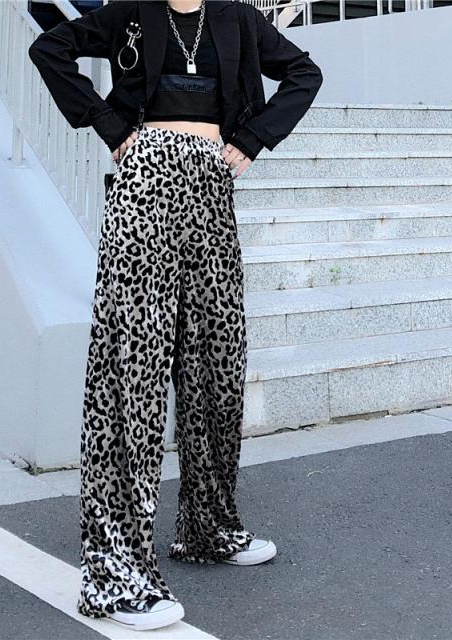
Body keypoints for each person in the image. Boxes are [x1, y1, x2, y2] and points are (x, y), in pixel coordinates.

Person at [28, 0, 323, 631]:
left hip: (213, 186)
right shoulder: (128, 13)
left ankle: (209, 526)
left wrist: (254, 138)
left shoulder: (238, 19)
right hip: (144, 186)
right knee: (132, 368)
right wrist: (110, 126)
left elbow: (305, 73)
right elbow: (49, 48)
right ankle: (116, 573)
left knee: (217, 360)